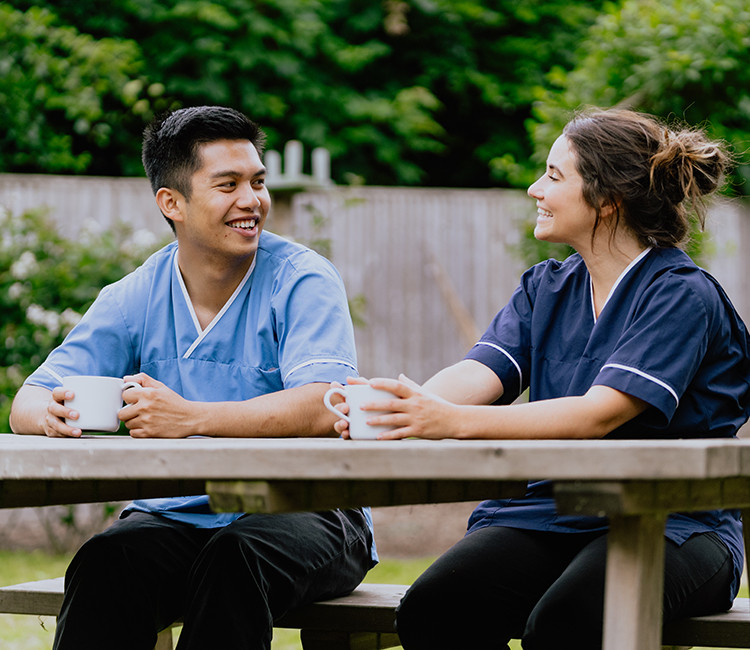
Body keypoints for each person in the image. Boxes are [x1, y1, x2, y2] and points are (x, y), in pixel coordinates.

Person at [334, 108, 750, 649]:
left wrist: (445, 421)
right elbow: (479, 373)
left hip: (675, 524)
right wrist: (398, 409)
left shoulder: (679, 295)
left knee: (568, 622)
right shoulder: (547, 286)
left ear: (607, 199)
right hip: (552, 512)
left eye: (554, 176)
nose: (535, 188)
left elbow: (598, 414)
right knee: (436, 608)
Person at [9, 105, 377, 650]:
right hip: (176, 514)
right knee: (106, 563)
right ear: (171, 202)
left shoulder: (302, 279)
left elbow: (326, 404)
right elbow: (28, 401)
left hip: (311, 510)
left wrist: (192, 418)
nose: (251, 201)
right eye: (227, 185)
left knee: (235, 557)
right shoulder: (135, 295)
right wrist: (53, 413)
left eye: (257, 181)